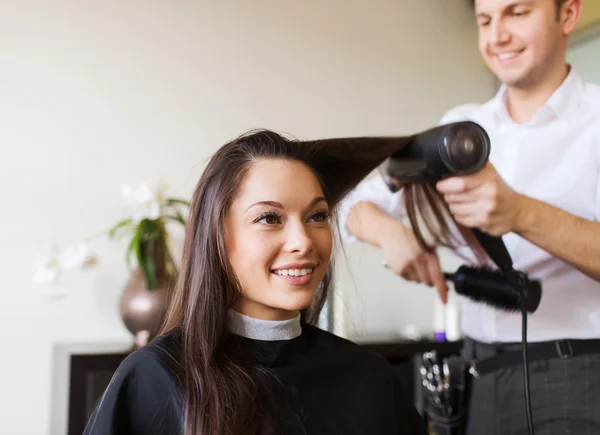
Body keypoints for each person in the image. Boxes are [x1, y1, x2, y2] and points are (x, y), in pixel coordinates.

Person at [338, 0, 600, 433]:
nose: (497, 35)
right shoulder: (460, 128)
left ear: (568, 15)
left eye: (518, 13)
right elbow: (352, 204)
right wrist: (390, 234)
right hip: (474, 379)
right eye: (485, 19)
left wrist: (520, 213)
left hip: (578, 378)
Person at [82, 129, 431, 435]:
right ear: (217, 235)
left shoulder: (369, 378)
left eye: (317, 216)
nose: (303, 241)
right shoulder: (153, 379)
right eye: (269, 218)